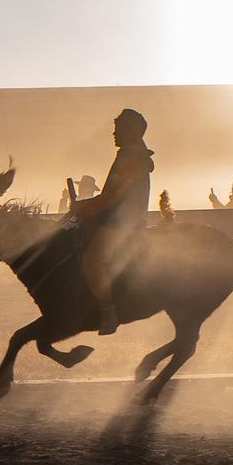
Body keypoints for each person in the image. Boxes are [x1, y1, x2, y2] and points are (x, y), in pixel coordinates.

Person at [77, 109, 155, 334]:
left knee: (92, 261)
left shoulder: (131, 159)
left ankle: (108, 313)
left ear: (130, 131)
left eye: (118, 128)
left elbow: (112, 197)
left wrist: (85, 206)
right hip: (118, 218)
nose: (114, 133)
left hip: (122, 222)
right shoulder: (129, 155)